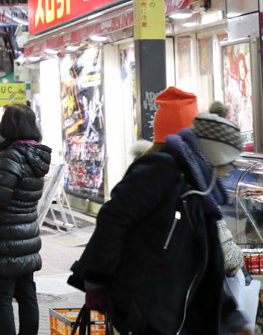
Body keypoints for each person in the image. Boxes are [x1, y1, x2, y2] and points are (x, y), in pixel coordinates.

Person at [71, 111, 252, 335]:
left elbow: (208, 270)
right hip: (145, 313)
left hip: (175, 319)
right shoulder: (163, 168)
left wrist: (232, 318)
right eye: (229, 162)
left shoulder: (203, 196)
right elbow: (113, 218)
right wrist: (98, 281)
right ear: (216, 155)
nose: (230, 170)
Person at [0, 104, 51, 335]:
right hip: (27, 238)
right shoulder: (37, 156)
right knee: (27, 295)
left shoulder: (10, 157)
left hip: (5, 241)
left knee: (0, 299)